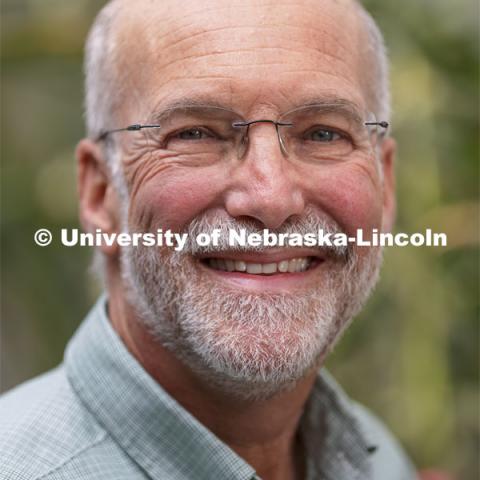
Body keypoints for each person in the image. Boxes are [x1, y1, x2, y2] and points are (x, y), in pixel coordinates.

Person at [0, 0, 420, 478]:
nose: (270, 197)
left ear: (385, 186)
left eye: (323, 134)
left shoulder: (375, 458)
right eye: (196, 133)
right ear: (100, 194)